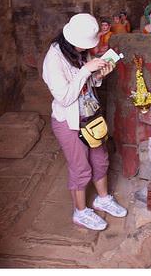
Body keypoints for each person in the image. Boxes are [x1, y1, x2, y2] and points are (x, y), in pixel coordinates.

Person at [42, 13, 127, 231]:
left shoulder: (78, 52)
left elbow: (88, 85)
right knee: (80, 168)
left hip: (90, 116)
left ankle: (102, 198)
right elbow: (65, 97)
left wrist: (98, 75)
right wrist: (86, 70)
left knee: (100, 159)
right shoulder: (54, 59)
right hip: (69, 122)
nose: (87, 48)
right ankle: (80, 212)